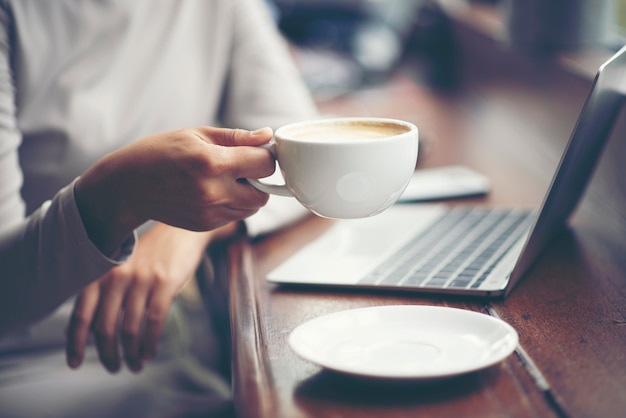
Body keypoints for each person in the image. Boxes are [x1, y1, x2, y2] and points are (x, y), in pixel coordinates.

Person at [0, 0, 317, 416]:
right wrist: (115, 198)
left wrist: (191, 227)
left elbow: (300, 152)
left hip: (180, 341)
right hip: (32, 361)